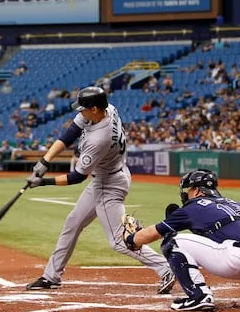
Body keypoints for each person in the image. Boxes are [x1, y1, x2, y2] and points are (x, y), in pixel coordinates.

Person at [23, 86, 175, 294]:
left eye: (83, 109)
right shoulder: (108, 109)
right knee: (73, 224)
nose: (80, 112)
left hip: (108, 184)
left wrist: (42, 182)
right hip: (110, 176)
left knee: (119, 241)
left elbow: (77, 177)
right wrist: (45, 160)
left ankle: (167, 268)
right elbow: (70, 133)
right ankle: (52, 276)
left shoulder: (99, 140)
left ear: (94, 109)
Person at [124, 169, 240, 311]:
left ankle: (199, 295)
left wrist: (131, 239)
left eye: (188, 190)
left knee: (173, 241)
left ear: (196, 191)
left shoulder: (192, 207)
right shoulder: (235, 204)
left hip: (235, 261)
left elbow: (154, 233)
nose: (186, 194)